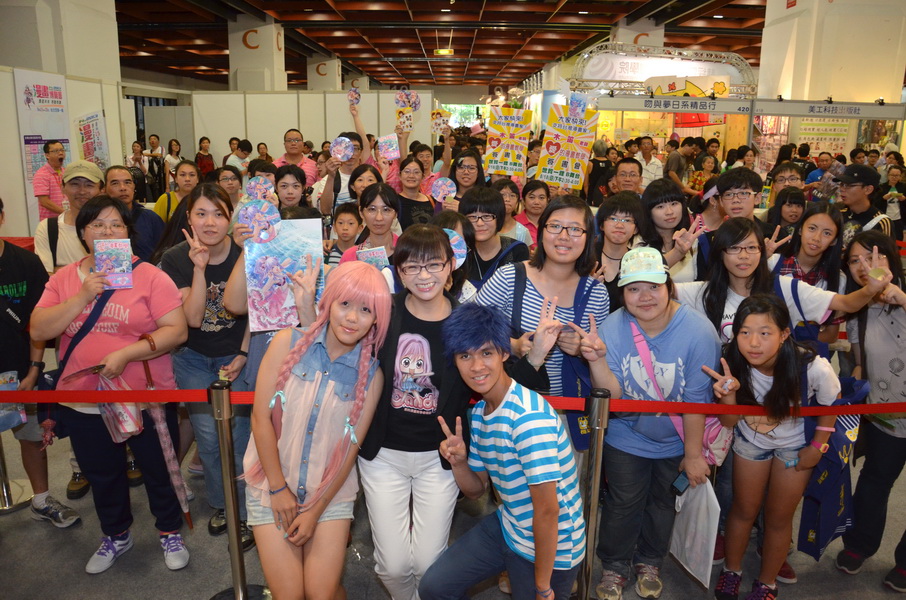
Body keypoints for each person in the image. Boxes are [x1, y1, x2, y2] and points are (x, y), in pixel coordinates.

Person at [30, 195, 190, 574]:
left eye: (116, 224)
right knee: (102, 471)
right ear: (83, 232)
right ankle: (116, 534)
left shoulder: (150, 275)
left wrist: (127, 354)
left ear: (127, 232)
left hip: (144, 394)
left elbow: (176, 331)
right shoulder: (64, 279)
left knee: (158, 467)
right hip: (83, 398)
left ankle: (169, 531)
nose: (107, 231)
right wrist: (82, 295)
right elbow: (38, 329)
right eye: (97, 224)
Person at [241, 261, 390, 600]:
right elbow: (260, 419)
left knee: (321, 594)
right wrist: (279, 489)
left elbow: (349, 452)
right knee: (291, 595)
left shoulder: (372, 376)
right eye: (345, 304)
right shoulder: (286, 342)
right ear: (328, 302)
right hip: (270, 485)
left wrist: (315, 511)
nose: (352, 318)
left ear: (376, 319)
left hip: (329, 496)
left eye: (366, 310)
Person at [418, 302, 585, 600]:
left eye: (486, 353)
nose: (476, 366)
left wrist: (543, 586)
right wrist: (459, 463)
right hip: (511, 525)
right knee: (435, 587)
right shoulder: (481, 411)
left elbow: (548, 511)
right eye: (465, 356)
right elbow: (475, 490)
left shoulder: (528, 419)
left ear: (504, 353)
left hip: (553, 547)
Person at [584, 246, 720, 600]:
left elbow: (696, 401)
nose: (644, 297)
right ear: (622, 293)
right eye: (633, 289)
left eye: (653, 287)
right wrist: (596, 360)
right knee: (622, 502)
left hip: (676, 438)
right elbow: (614, 398)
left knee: (662, 503)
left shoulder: (699, 332)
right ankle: (614, 564)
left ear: (669, 287)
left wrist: (693, 454)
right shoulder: (612, 328)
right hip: (626, 434)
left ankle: (649, 560)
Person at [710, 295, 840, 600]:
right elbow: (728, 423)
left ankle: (767, 582)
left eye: (765, 333)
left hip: (794, 449)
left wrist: (817, 447)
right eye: (744, 332)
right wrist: (728, 396)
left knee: (779, 518)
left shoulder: (812, 366)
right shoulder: (732, 362)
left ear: (784, 334)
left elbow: (831, 404)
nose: (753, 343)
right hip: (750, 443)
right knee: (743, 510)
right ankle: (732, 570)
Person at [159, 183, 254, 551]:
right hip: (193, 358)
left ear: (230, 218)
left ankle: (244, 509)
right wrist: (199, 269)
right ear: (189, 218)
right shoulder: (175, 258)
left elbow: (258, 312)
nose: (210, 222)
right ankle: (221, 504)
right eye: (201, 214)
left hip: (236, 355)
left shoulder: (246, 251)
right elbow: (193, 319)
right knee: (210, 438)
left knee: (241, 436)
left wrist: (243, 353)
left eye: (218, 214)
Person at [477, 195, 610, 402]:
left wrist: (582, 351)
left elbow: (602, 361)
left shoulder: (596, 294)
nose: (564, 236)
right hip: (509, 403)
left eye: (575, 229)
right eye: (555, 226)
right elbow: (466, 330)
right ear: (541, 232)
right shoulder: (510, 277)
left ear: (588, 237)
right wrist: (513, 345)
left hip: (568, 409)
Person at [676, 217, 891, 344]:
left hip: (776, 395)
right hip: (723, 393)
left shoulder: (784, 287)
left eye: (751, 247)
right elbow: (657, 287)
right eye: (734, 248)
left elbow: (846, 303)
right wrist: (676, 253)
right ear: (720, 253)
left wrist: (870, 289)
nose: (744, 256)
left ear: (762, 252)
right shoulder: (703, 292)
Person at [1, 196, 79, 528]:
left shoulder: (25, 262)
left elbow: (39, 322)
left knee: (31, 437)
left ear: (2, 217)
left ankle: (42, 499)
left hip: (19, 369)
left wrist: (34, 370)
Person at [834, 231, 906, 592]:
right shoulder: (856, 311)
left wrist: (901, 298)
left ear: (891, 258)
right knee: (875, 481)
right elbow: (861, 364)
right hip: (886, 417)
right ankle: (859, 544)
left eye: (873, 257)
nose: (864, 266)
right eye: (855, 260)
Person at [34, 160, 100, 273]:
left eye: (89, 185)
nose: (82, 191)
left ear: (101, 189)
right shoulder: (48, 228)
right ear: (63, 188)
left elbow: (121, 274)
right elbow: (45, 276)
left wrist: (60, 270)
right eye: (75, 184)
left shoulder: (112, 227)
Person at [460, 187, 529, 291]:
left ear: (499, 218)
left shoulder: (517, 251)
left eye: (487, 216)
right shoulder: (460, 252)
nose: (479, 223)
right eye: (472, 217)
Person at [595, 192, 645, 311]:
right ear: (602, 225)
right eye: (613, 218)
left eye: (627, 220)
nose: (619, 225)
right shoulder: (585, 255)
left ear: (636, 229)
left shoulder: (638, 262)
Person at [105, 165, 165, 262]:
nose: (123, 188)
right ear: (104, 189)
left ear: (134, 186)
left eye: (127, 182)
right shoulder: (98, 222)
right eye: (115, 183)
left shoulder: (151, 219)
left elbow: (165, 253)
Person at [339, 183, 400, 265]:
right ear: (361, 212)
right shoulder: (350, 257)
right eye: (372, 209)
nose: (379, 218)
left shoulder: (409, 251)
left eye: (386, 210)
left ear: (395, 213)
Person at [835, 163, 893, 248]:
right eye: (842, 184)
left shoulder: (881, 222)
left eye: (849, 185)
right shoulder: (838, 215)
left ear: (868, 189)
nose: (842, 189)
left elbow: (885, 254)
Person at [397, 156, 435, 230]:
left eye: (416, 172)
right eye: (407, 172)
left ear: (423, 177)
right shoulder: (394, 202)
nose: (411, 176)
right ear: (400, 175)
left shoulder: (431, 200)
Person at [33, 139, 67, 220]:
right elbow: (44, 201)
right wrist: (65, 213)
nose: (61, 153)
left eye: (62, 150)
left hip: (66, 220)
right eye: (56, 151)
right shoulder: (41, 174)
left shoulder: (65, 172)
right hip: (51, 221)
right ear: (47, 155)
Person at [491, 178, 531, 245]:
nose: (507, 199)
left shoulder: (522, 231)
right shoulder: (485, 226)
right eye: (502, 195)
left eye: (512, 195)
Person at [325, 203, 363, 269]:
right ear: (334, 227)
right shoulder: (326, 253)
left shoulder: (362, 255)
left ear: (360, 228)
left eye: (350, 223)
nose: (345, 228)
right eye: (340, 223)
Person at [515, 179, 549, 249]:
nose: (537, 202)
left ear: (547, 201)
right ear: (523, 200)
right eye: (532, 197)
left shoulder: (552, 223)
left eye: (541, 198)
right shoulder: (514, 223)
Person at [881, 164, 906, 241]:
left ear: (900, 176)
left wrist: (904, 199)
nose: (894, 177)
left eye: (897, 175)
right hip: (884, 218)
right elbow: (875, 203)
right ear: (888, 175)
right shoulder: (882, 187)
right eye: (892, 175)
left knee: (898, 239)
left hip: (899, 218)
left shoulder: (904, 187)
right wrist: (883, 198)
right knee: (884, 239)